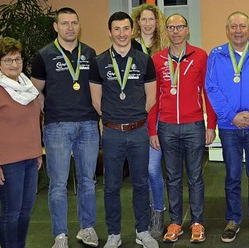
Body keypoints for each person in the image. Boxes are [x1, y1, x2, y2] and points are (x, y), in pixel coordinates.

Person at [30, 7, 100, 248]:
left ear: (79, 26)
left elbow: (96, 89)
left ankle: (87, 228)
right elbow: (36, 90)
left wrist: (97, 118)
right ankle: (60, 235)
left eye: (74, 23)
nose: (70, 27)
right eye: (65, 23)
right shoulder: (44, 55)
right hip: (57, 126)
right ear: (56, 27)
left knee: (87, 180)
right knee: (58, 183)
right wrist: (49, 112)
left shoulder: (90, 53)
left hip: (88, 125)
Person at [89, 11, 158, 248]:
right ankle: (114, 234)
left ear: (132, 30)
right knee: (111, 186)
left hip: (138, 130)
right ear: (110, 32)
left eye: (126, 28)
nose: (121, 33)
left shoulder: (143, 60)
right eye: (116, 29)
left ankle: (142, 230)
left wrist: (135, 117)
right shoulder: (98, 62)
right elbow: (96, 101)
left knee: (141, 183)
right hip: (112, 133)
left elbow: (151, 97)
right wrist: (114, 119)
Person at [148, 13, 217, 244]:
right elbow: (153, 98)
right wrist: (152, 130)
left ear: (188, 30)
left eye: (180, 26)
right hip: (167, 126)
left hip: (194, 125)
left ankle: (197, 222)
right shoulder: (157, 59)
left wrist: (211, 124)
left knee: (195, 177)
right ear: (166, 31)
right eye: (171, 27)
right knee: (173, 177)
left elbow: (208, 92)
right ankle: (176, 222)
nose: (175, 31)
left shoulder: (200, 56)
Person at [205, 11, 249, 243]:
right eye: (233, 26)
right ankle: (233, 219)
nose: (238, 30)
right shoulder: (216, 54)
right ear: (227, 30)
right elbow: (211, 88)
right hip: (228, 125)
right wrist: (232, 116)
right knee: (232, 175)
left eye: (242, 26)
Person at [0, 37, 42, 248]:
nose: (14, 64)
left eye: (17, 59)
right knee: (11, 213)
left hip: (30, 160)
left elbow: (34, 123)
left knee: (25, 211)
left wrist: (37, 153)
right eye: (8, 60)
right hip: (7, 163)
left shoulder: (28, 87)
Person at [130, 3, 169, 240]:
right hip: (134, 115)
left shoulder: (164, 47)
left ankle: (158, 212)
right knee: (139, 170)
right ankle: (142, 214)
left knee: (152, 168)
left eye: (151, 20)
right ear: (137, 22)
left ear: (157, 23)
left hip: (158, 115)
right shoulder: (128, 46)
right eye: (143, 19)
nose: (147, 24)